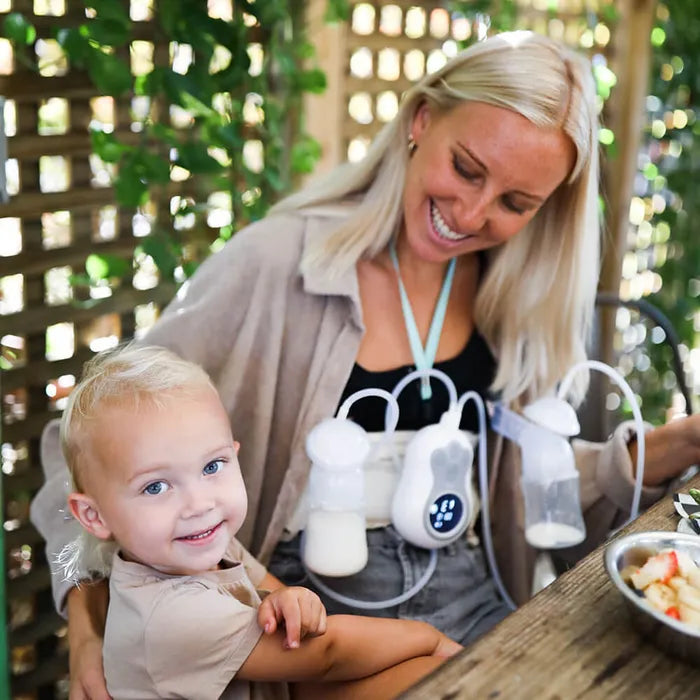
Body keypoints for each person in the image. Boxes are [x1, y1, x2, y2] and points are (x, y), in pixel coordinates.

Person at [30, 30, 700, 700]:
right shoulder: (275, 270)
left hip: (477, 597)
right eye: (466, 169)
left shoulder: (516, 301)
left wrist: (661, 449)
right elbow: (75, 452)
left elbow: (526, 485)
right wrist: (83, 610)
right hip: (321, 624)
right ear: (421, 120)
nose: (471, 214)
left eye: (515, 204)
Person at [58, 343, 461, 700]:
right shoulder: (167, 617)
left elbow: (293, 621)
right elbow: (325, 656)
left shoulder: (209, 546)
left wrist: (289, 602)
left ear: (235, 454)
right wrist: (426, 637)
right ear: (94, 515)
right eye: (156, 487)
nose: (199, 503)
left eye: (213, 465)